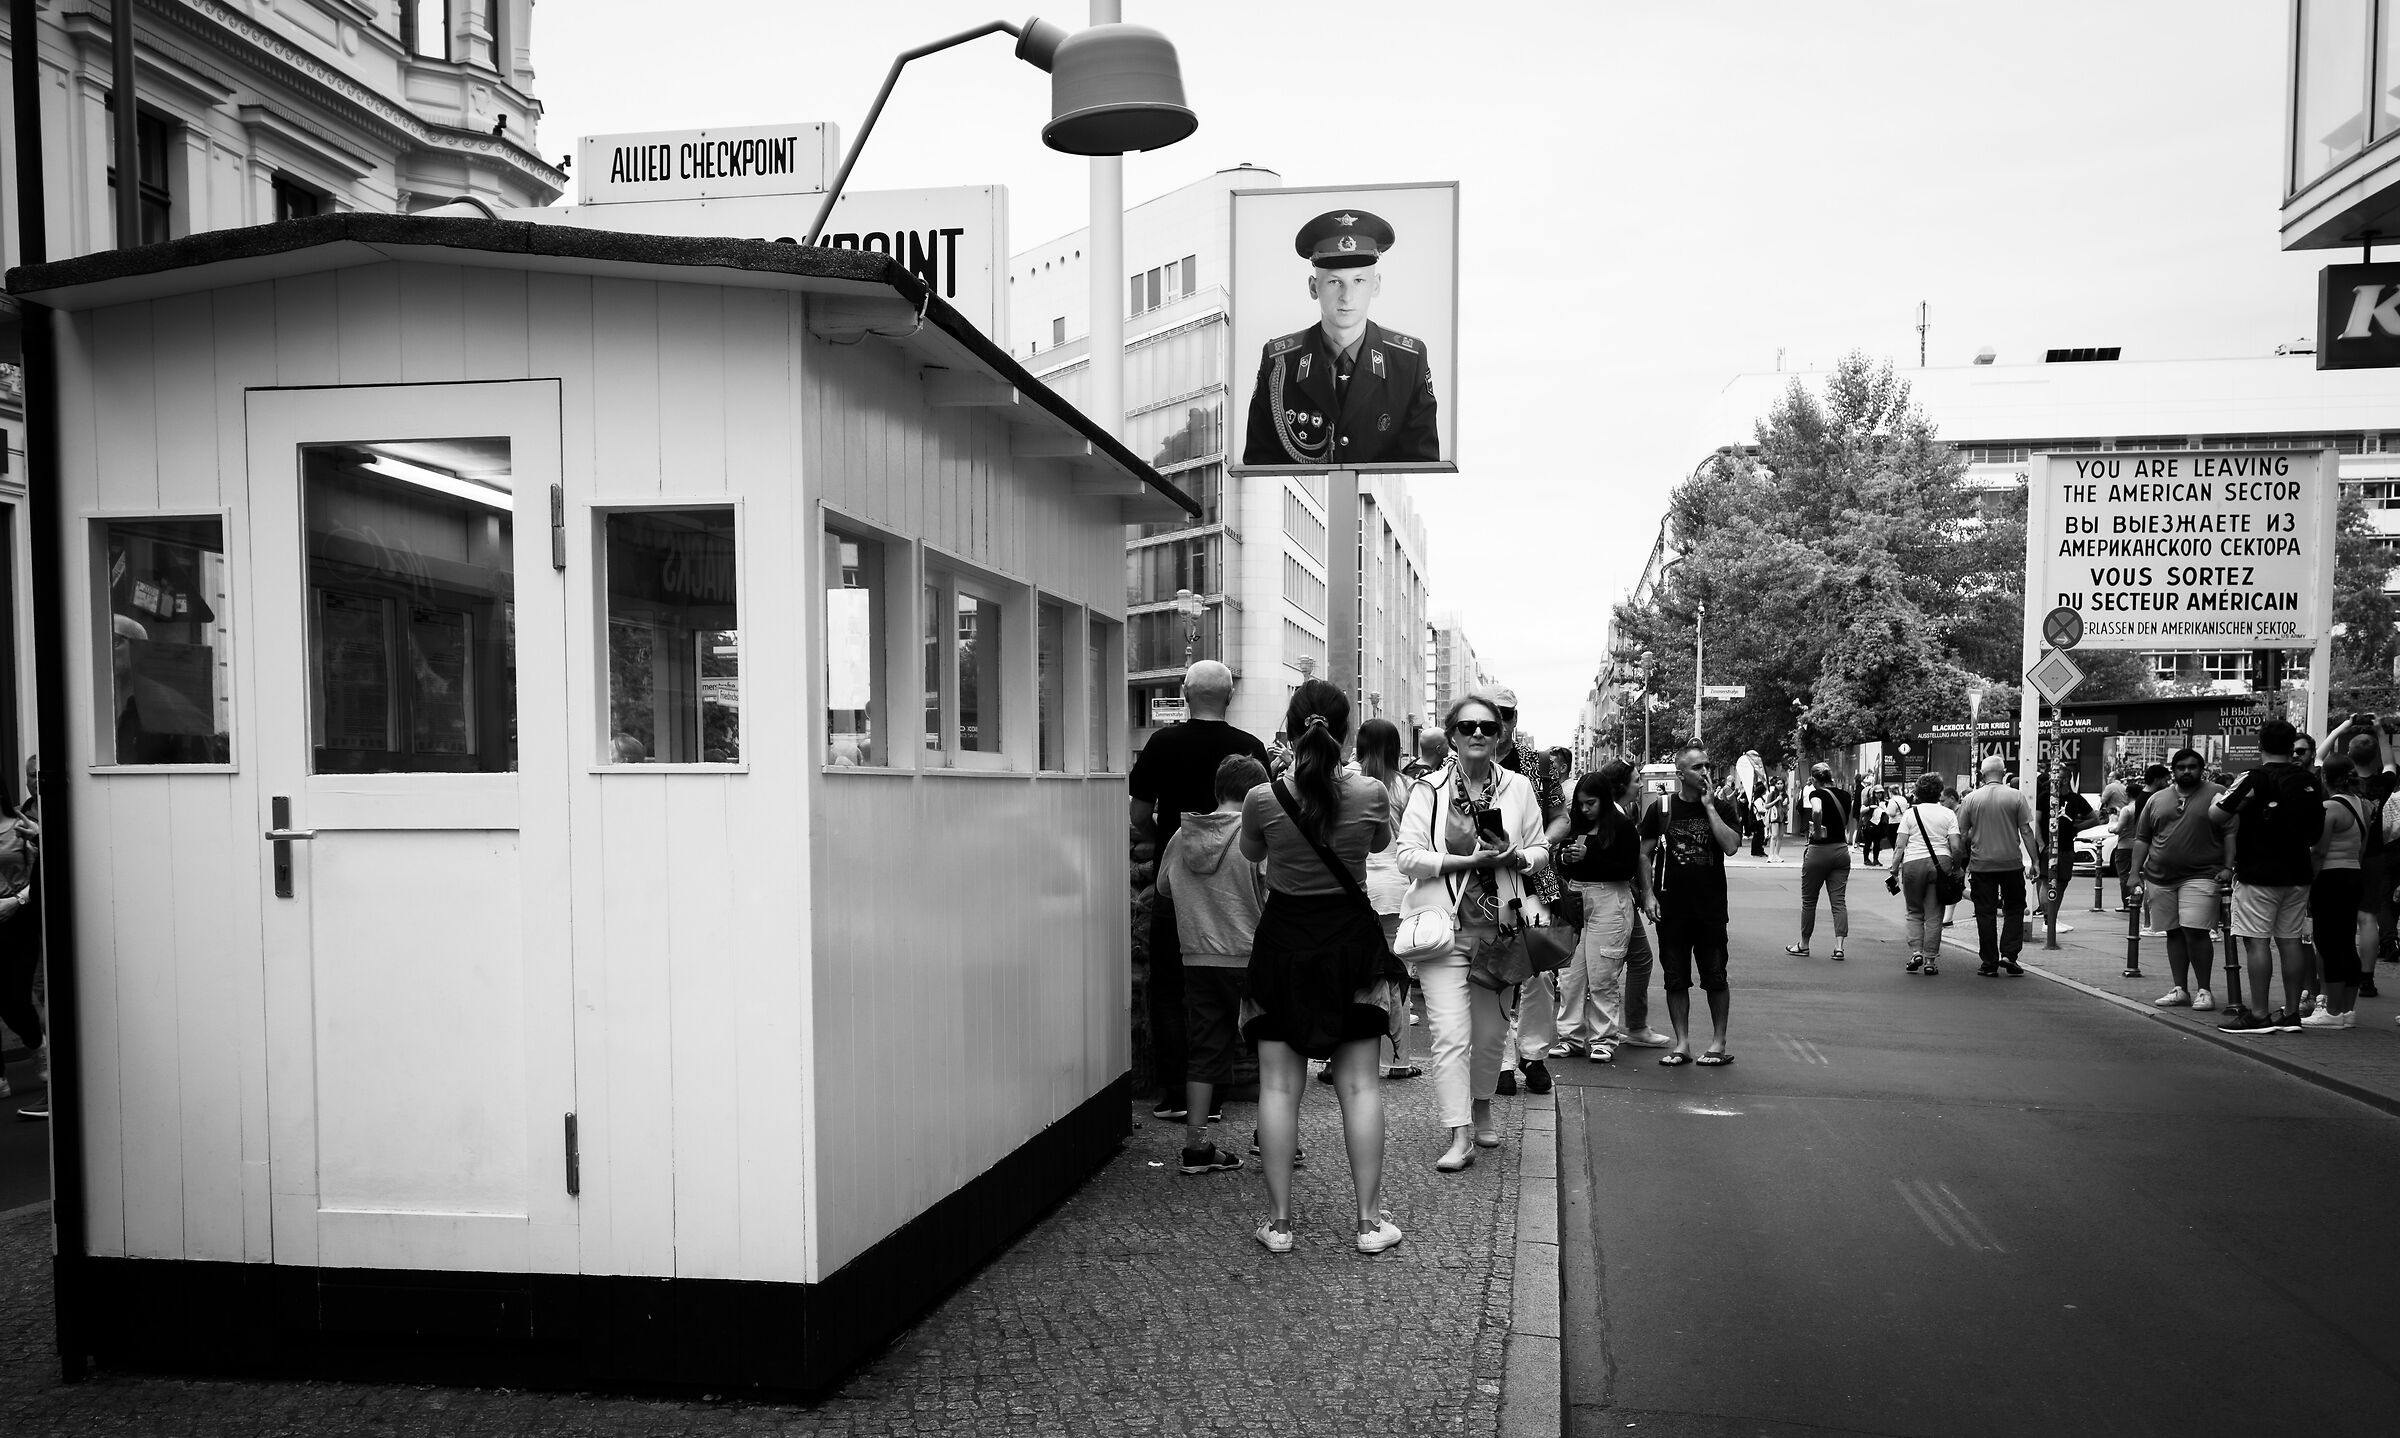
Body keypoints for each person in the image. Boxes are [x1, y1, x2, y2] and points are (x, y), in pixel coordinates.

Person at [1240, 680, 1403, 1255]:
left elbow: (1254, 855)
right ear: (1347, 731)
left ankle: (1280, 1225)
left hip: (1283, 944)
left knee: (1280, 1089)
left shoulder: (1261, 798)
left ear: (1289, 728)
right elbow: (1379, 844)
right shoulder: (1371, 793)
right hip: (1350, 945)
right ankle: (1367, 1224)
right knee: (1359, 1087)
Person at [1395, 695, 1553, 1172]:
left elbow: (1541, 848)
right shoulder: (1431, 789)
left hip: (1499, 931)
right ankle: (1457, 1133)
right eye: (1468, 727)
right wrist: (1468, 861)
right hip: (1443, 931)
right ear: (1453, 734)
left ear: (1500, 733)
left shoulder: (1520, 787)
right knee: (1448, 1034)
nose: (1479, 733)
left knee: (1488, 1036)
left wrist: (1516, 856)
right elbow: (1407, 857)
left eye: (1488, 726)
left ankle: (1481, 1108)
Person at [1129, 660, 1271, 1121]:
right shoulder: (1249, 748)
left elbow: (1137, 815)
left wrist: (1158, 838)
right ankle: (1225, 1090)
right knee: (1236, 994)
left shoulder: (1162, 743)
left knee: (1169, 989)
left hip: (1178, 880)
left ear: (1187, 696)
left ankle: (1177, 1093)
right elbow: (1268, 814)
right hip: (1239, 885)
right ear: (1229, 697)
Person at [1241, 209, 1439, 467]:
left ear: (1376, 285)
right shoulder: (1279, 362)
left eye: (1358, 280)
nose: (1347, 296)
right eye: (1335, 282)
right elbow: (1259, 465)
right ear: (1314, 287)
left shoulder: (1408, 361)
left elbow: (1423, 468)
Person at [1154, 755, 1271, 1175]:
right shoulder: (1257, 837)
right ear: (1259, 794)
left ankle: (1196, 1147)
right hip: (1251, 957)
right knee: (1271, 1050)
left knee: (1204, 1049)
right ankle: (1273, 1140)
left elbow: (1164, 887)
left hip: (1198, 957)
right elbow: (1274, 892)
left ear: (1218, 790)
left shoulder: (1183, 835)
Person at [1478, 684, 1568, 1096]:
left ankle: (1532, 1056)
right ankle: (1499, 1061)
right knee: (1495, 972)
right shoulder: (1461, 760)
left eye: (1506, 716)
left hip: (1532, 880)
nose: (1497, 725)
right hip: (1481, 884)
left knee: (1539, 972)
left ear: (1516, 718)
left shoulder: (1538, 763)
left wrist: (1539, 846)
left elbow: (1559, 817)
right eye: (1489, 716)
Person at [2212, 719, 2327, 1036]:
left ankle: (2260, 1014)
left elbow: (2218, 814)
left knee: (2257, 942)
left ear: (2260, 744)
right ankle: (2291, 1013)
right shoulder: (2308, 780)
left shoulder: (2253, 777)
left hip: (2258, 873)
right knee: (2290, 941)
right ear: (2293, 747)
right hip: (2298, 872)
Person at [1638, 741, 1744, 1065]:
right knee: (1675, 977)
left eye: (1708, 766)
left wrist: (1710, 807)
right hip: (1672, 909)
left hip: (1710, 908)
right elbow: (1644, 854)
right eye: (1698, 768)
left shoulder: (1723, 807)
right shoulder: (1662, 808)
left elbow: (1731, 846)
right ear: (1680, 773)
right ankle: (1682, 1044)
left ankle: (1718, 1043)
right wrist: (1648, 894)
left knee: (1715, 975)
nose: (1706, 773)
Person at [1549, 764, 1646, 1062]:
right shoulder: (1575, 826)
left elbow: (1627, 869)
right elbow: (1564, 864)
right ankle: (1570, 1036)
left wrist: (1591, 855)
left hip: (1609, 897)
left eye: (1590, 803)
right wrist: (1565, 857)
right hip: (1577, 897)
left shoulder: (1622, 826)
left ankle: (1604, 1037)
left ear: (1603, 799)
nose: (1585, 809)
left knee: (1603, 973)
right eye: (1580, 804)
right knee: (1571, 973)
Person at [2129, 748, 2226, 1012]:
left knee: (2195, 931)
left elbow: (2231, 830)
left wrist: (2229, 866)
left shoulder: (2216, 793)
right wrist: (2133, 873)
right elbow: (2143, 838)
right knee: (2173, 932)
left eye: (2192, 766)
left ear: (2201, 769)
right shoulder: (2157, 799)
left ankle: (2204, 990)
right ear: (2172, 771)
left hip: (2202, 874)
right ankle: (2180, 988)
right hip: (2161, 877)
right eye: (2181, 767)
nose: (2186, 771)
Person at [1356, 718, 1422, 1080]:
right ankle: (1397, 1060)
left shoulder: (1349, 781)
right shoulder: (1407, 787)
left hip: (1357, 886)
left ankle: (1344, 1060)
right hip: (1398, 886)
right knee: (1397, 976)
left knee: (1356, 975)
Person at [1955, 755, 2044, 978]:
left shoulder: (1971, 799)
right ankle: (2009, 955)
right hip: (2011, 863)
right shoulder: (2015, 796)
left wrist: (1960, 863)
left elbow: (1961, 834)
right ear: (2003, 772)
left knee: (1985, 912)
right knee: (2014, 907)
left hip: (1981, 865)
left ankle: (1989, 962)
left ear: (1982, 775)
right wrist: (2034, 861)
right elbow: (2026, 831)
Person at [2303, 751, 2367, 1029]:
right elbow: (2361, 847)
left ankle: (2332, 1011)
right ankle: (2347, 1011)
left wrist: (2309, 882)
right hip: (2353, 874)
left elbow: (2318, 851)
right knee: (2346, 944)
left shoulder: (2330, 807)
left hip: (2330, 878)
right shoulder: (2361, 804)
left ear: (2325, 777)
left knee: (2329, 944)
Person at [0, 761, 41, 1116]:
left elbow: (43, 870)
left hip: (21, 920)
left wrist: (17, 901)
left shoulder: (20, 824)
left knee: (16, 997)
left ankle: (38, 1049)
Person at [1888, 773, 1961, 975]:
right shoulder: (1948, 814)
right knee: (1935, 915)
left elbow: (1900, 845)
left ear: (1918, 792)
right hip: (1941, 864)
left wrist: (1894, 868)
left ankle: (1916, 952)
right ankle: (1930, 960)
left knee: (1913, 911)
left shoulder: (1911, 814)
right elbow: (1956, 846)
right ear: (1939, 792)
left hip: (1913, 864)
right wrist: (1956, 867)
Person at [1785, 762, 1853, 960]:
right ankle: (1839, 947)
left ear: (1815, 780)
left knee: (1809, 901)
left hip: (1819, 851)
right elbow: (1845, 821)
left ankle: (1804, 944)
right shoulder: (1846, 795)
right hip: (1841, 850)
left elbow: (1816, 811)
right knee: (1839, 901)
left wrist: (1816, 829)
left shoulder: (1817, 794)